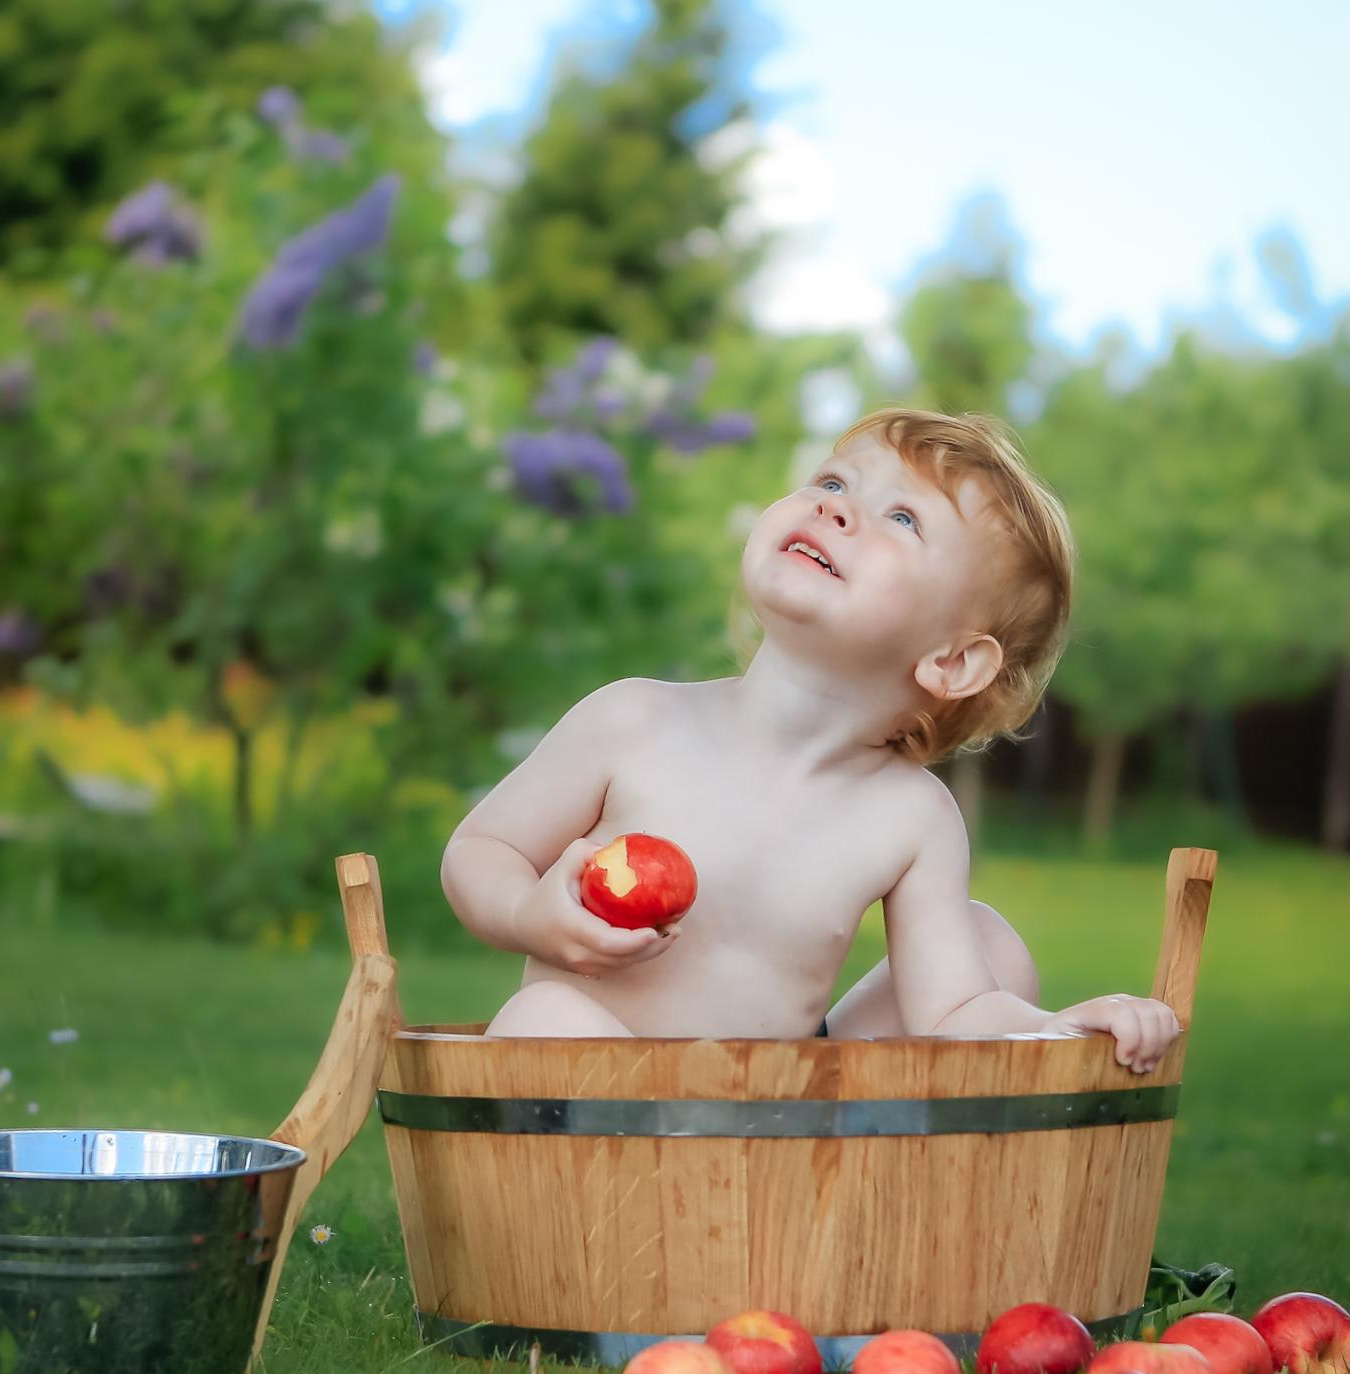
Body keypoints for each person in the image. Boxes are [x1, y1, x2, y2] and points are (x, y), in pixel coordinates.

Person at [439, 408, 1182, 1071]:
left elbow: (952, 1013)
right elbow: (483, 851)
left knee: (991, 949)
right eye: (833, 482)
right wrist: (526, 915)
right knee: (545, 1019)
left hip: (781, 1116)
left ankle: (812, 1196)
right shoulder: (633, 721)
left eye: (902, 518)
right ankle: (655, 1204)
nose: (838, 510)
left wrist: (1059, 1030)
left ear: (952, 662)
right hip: (602, 1090)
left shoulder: (909, 815)